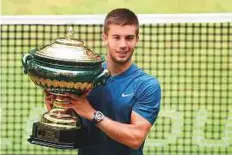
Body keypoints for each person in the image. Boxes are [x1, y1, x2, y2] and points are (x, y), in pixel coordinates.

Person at [45, 8, 161, 155]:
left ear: (137, 40)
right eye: (116, 37)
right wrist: (58, 109)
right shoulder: (84, 77)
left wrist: (93, 115)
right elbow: (73, 131)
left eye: (129, 38)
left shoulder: (147, 85)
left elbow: (136, 138)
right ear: (105, 38)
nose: (123, 45)